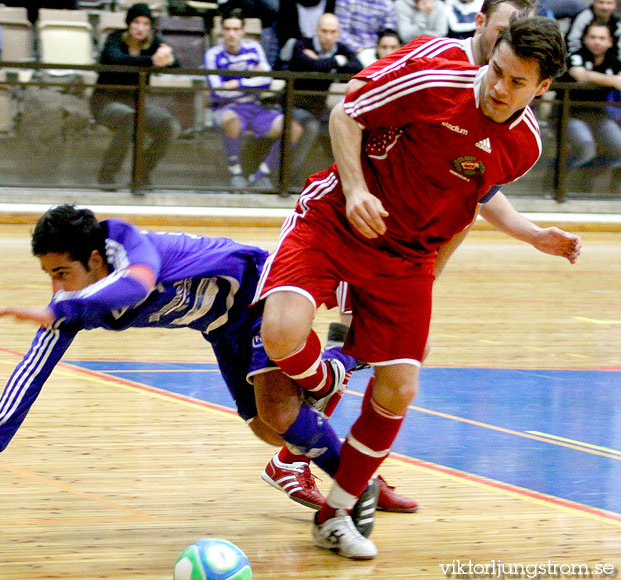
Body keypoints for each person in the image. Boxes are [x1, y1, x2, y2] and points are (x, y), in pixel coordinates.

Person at [256, 17, 580, 559]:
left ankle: (336, 514)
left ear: (542, 87)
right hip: (338, 218)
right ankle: (330, 372)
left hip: (406, 256)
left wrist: (527, 236)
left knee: (400, 388)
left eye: (517, 82)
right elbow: (346, 113)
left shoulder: (524, 146)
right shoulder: (434, 81)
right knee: (282, 334)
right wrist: (357, 189)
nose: (500, 87)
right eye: (497, 70)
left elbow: (466, 206)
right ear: (490, 51)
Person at [0, 204, 409, 529]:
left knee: (282, 413)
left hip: (259, 291)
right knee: (270, 430)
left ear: (95, 258)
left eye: (62, 273)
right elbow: (34, 364)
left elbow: (136, 286)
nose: (57, 288)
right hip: (223, 327)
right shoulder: (75, 302)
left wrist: (62, 309)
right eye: (50, 278)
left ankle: (355, 460)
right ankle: (339, 379)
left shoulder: (128, 243)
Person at [205, 7, 303, 190]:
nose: (231, 34)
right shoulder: (213, 54)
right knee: (232, 123)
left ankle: (260, 175)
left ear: (242, 31)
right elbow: (218, 91)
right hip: (226, 108)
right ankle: (236, 175)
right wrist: (251, 79)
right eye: (227, 29)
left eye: (236, 29)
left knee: (294, 129)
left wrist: (236, 82)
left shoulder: (254, 48)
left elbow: (267, 81)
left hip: (255, 107)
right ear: (221, 31)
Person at [90, 3, 181, 191]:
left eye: (146, 24)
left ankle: (141, 172)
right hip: (106, 102)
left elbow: (176, 65)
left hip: (137, 102)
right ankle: (107, 173)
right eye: (136, 23)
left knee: (170, 126)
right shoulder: (114, 39)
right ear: (129, 24)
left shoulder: (152, 43)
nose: (141, 28)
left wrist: (168, 58)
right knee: (130, 118)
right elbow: (116, 59)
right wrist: (152, 61)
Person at [561, 20, 621, 170]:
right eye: (593, 37)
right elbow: (580, 75)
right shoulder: (575, 56)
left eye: (601, 38)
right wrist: (612, 80)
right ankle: (559, 179)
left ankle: (592, 176)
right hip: (570, 115)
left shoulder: (613, 61)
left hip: (599, 116)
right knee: (586, 149)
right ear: (585, 39)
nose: (597, 42)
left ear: (610, 42)